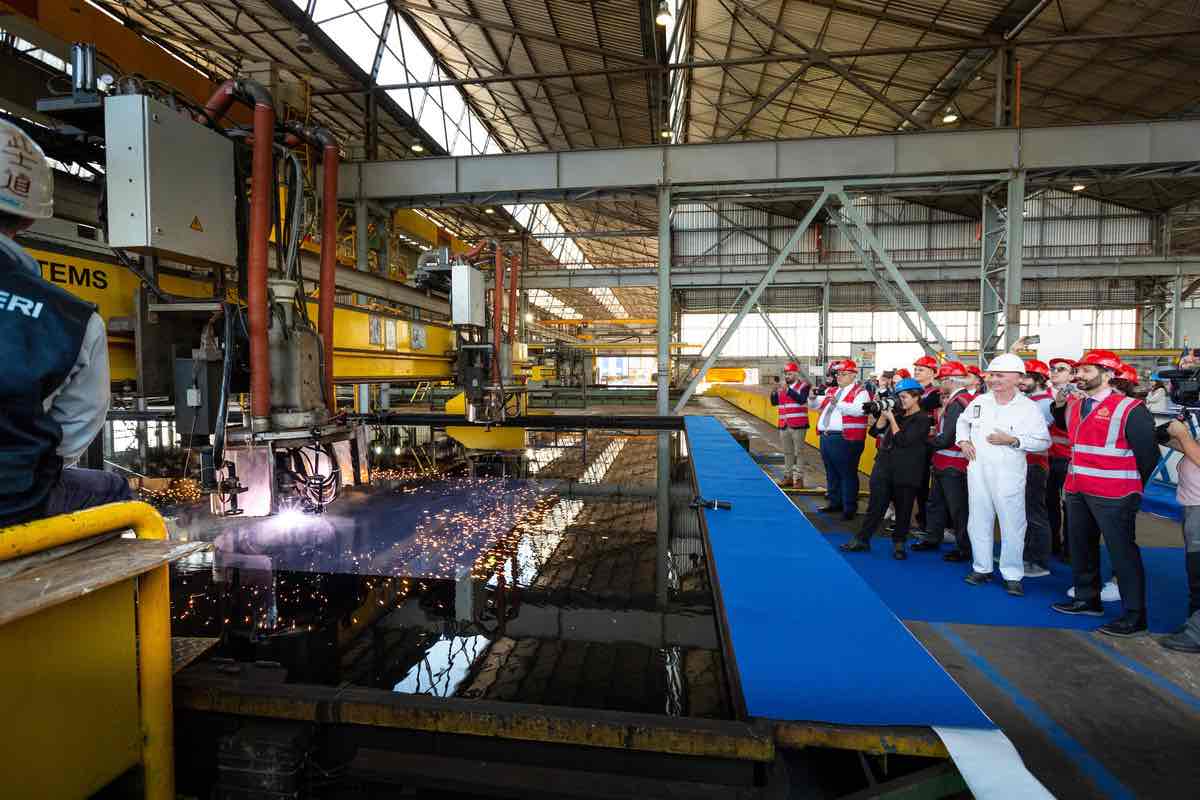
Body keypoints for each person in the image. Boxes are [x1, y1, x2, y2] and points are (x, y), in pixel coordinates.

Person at [0, 120, 130, 526]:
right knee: (117, 494)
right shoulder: (74, 319)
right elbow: (76, 427)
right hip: (12, 504)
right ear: (29, 220)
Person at [1050, 349, 1161, 637]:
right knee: (1081, 547)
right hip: (1078, 489)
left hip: (1115, 494)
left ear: (1109, 374)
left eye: (1087, 371)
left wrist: (1132, 489)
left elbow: (1148, 456)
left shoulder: (1130, 409)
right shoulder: (1074, 405)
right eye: (1078, 371)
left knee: (1122, 553)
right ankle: (1087, 599)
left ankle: (1135, 615)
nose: (1079, 376)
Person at [955, 353, 1052, 596]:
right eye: (991, 375)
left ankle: (1012, 574)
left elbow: (1043, 441)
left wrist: (1013, 440)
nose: (993, 380)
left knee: (1012, 524)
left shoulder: (1028, 408)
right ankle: (982, 568)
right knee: (978, 520)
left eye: (1000, 375)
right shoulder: (979, 402)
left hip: (1008, 474)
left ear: (1017, 378)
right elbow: (962, 421)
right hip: (977, 471)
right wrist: (963, 441)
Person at [839, 378, 932, 560]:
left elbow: (904, 440)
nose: (901, 401)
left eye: (904, 397)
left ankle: (899, 544)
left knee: (903, 509)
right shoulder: (897, 413)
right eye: (899, 397)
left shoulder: (922, 419)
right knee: (875, 506)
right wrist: (883, 416)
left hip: (906, 471)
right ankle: (862, 539)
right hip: (884, 467)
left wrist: (892, 420)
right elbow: (874, 432)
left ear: (916, 397)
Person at [913, 360, 974, 561]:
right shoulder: (960, 400)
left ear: (950, 380)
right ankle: (933, 537)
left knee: (957, 508)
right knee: (936, 503)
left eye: (941, 379)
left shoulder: (958, 403)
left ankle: (964, 547)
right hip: (946, 462)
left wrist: (925, 441)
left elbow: (948, 437)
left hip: (953, 464)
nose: (939, 384)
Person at [1161, 413, 1200, 653]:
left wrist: (1183, 435)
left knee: (1199, 568)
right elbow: (1191, 450)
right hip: (1193, 506)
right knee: (1195, 570)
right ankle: (1194, 622)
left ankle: (1197, 633)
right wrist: (1171, 436)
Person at [815, 358, 870, 521]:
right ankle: (834, 502)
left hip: (846, 438)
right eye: (838, 373)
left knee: (847, 473)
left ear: (853, 375)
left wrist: (838, 403)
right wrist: (812, 398)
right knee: (831, 472)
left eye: (843, 374)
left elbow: (859, 411)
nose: (839, 376)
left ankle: (849, 507)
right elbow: (817, 405)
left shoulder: (861, 393)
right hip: (828, 436)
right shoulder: (833, 391)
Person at [1019, 359, 1055, 578]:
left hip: (1035, 463)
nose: (1021, 381)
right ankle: (1026, 555)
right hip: (1024, 461)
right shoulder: (1029, 401)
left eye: (1026, 377)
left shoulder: (1044, 404)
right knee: (1024, 512)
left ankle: (1039, 561)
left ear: (1039, 379)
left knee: (1034, 512)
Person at [1046, 358, 1077, 560]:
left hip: (1068, 459)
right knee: (1049, 503)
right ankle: (1052, 544)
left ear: (1072, 374)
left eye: (1061, 369)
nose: (1055, 372)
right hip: (1048, 457)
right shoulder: (1044, 394)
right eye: (1053, 369)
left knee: (1071, 506)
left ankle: (1070, 549)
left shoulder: (1078, 397)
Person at [911, 355, 941, 537]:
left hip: (928, 444)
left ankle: (925, 523)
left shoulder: (934, 394)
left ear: (932, 373)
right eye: (916, 369)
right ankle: (920, 520)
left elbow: (917, 408)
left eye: (921, 369)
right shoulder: (917, 392)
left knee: (924, 485)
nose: (917, 372)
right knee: (917, 484)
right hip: (915, 442)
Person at [770, 362, 811, 488]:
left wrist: (788, 390)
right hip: (784, 424)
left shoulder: (804, 386)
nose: (787, 376)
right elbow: (774, 403)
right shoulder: (782, 388)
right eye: (786, 374)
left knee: (799, 452)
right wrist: (773, 392)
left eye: (790, 374)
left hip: (798, 425)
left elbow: (801, 399)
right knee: (787, 452)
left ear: (796, 374)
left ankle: (799, 478)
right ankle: (787, 477)